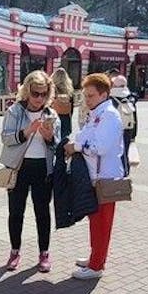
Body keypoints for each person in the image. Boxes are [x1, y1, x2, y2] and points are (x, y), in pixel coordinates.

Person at [64, 73, 124, 280]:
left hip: (104, 179)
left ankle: (97, 265)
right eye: (85, 96)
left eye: (90, 96)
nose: (86, 100)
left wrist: (76, 146)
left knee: (101, 223)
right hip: (94, 177)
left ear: (103, 94)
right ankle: (95, 258)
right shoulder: (97, 113)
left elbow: (101, 147)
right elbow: (86, 137)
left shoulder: (108, 115)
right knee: (95, 220)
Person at [0, 71, 60, 272]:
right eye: (35, 93)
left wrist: (50, 137)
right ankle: (14, 251)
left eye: (44, 94)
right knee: (16, 212)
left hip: (42, 168)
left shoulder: (51, 114)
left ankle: (44, 253)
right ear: (27, 91)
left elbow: (57, 146)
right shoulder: (15, 111)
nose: (39, 98)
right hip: (19, 168)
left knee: (42, 213)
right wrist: (27, 132)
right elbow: (6, 138)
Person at [110, 75, 138, 175]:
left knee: (113, 153)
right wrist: (134, 134)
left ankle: (115, 174)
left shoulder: (111, 97)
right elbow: (134, 116)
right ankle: (125, 173)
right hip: (128, 128)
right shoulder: (130, 97)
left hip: (115, 129)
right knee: (125, 152)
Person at [51, 69, 75, 139]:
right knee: (63, 138)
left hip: (54, 115)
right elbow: (72, 108)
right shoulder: (69, 90)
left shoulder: (52, 89)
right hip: (66, 118)